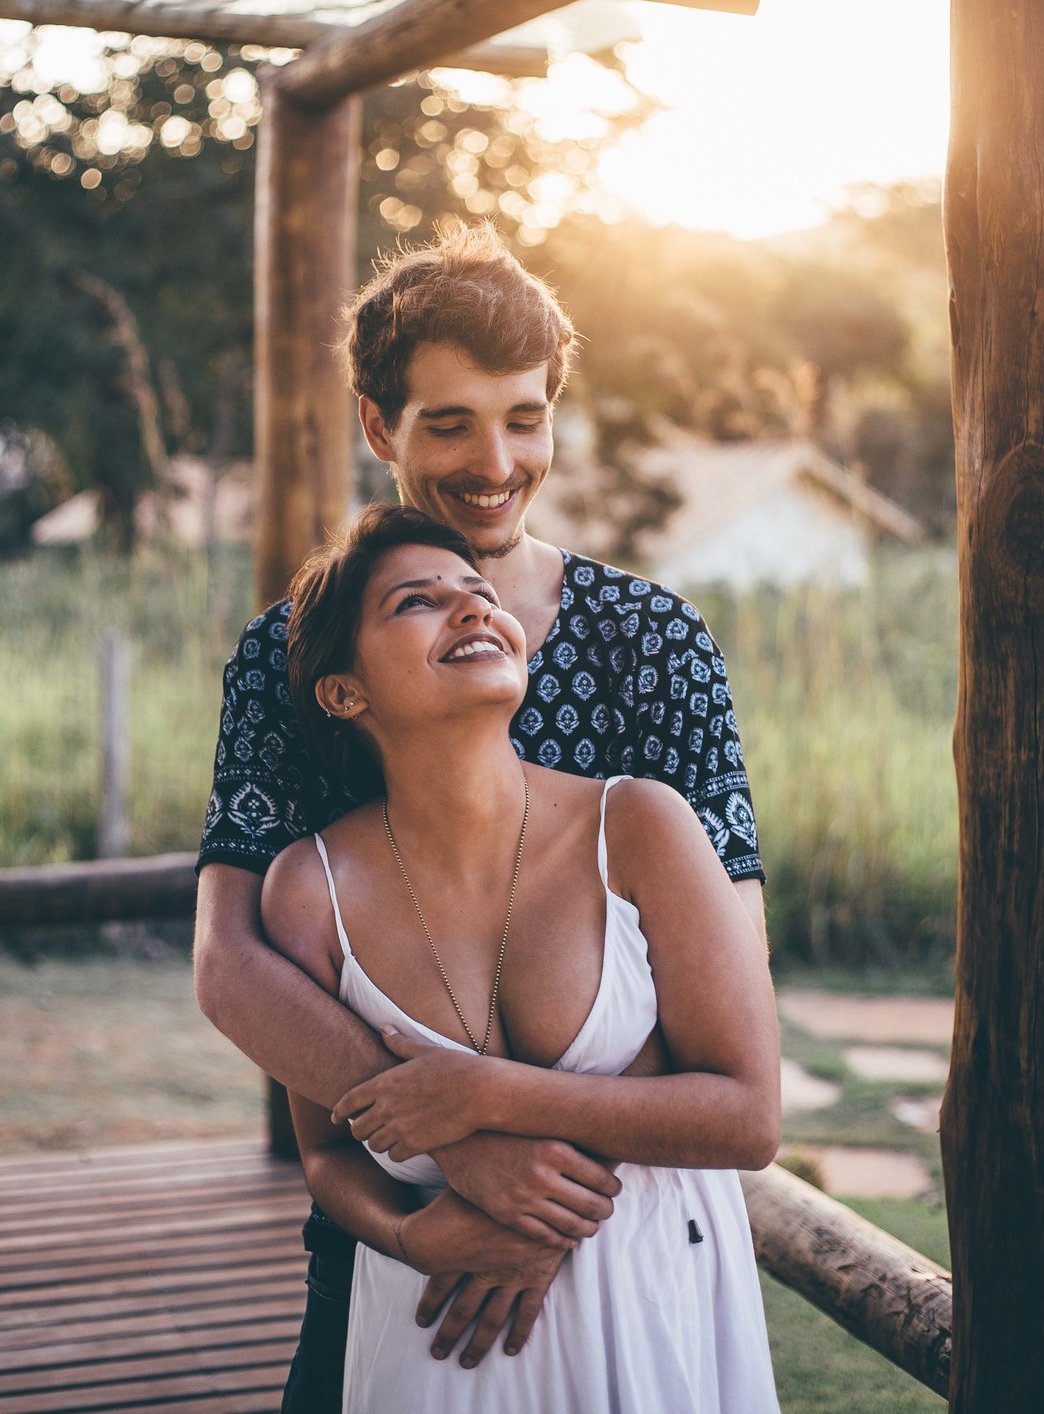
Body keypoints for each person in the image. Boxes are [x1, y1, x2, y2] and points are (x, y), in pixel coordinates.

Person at [194, 225, 767, 1408]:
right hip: (405, 1218)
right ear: (377, 427)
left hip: (630, 1221)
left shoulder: (653, 643)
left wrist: (546, 1187)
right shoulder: (290, 657)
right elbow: (236, 960)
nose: (493, 460)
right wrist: (459, 1157)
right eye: (447, 421)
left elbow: (729, 970)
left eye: (522, 416)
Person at [260, 502, 782, 1412]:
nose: (472, 610)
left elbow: (748, 1116)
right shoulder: (309, 891)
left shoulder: (642, 826)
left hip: (648, 1304)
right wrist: (409, 1236)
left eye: (479, 593)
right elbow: (328, 1155)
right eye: (416, 602)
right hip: (432, 1331)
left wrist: (487, 1097)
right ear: (345, 693)